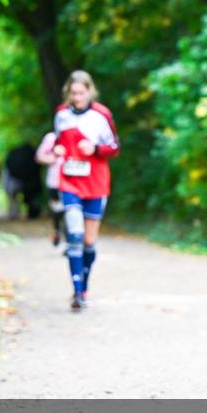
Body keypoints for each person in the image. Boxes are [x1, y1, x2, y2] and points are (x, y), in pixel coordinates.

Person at [53, 70, 119, 311]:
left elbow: (114, 146)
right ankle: (77, 292)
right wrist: (58, 150)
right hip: (69, 181)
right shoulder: (61, 115)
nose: (77, 98)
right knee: (75, 236)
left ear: (90, 91)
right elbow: (59, 141)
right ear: (68, 93)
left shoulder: (101, 115)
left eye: (81, 93)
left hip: (95, 182)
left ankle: (85, 284)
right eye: (74, 93)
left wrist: (96, 148)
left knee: (89, 241)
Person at [35, 131, 65, 246]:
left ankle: (71, 240)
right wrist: (54, 157)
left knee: (72, 210)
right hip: (55, 181)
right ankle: (57, 230)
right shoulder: (52, 137)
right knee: (58, 209)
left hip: (76, 182)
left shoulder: (82, 134)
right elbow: (39, 157)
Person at [3, 143, 43, 220]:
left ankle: (14, 214)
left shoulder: (15, 156)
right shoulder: (31, 154)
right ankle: (31, 213)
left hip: (16, 180)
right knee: (32, 198)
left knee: (13, 199)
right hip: (31, 181)